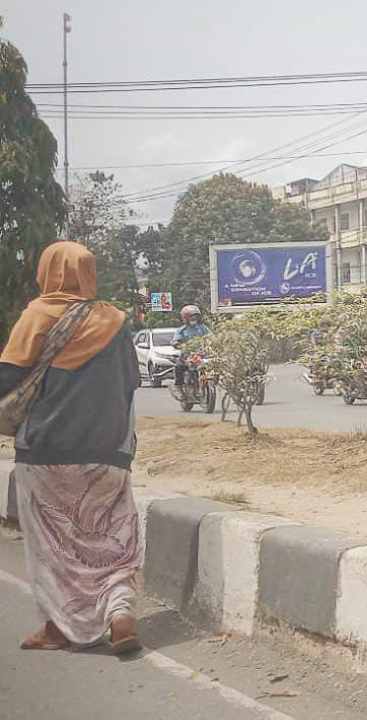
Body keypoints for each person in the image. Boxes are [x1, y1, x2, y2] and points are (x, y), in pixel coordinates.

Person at [0, 242, 143, 654]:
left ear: (48, 272)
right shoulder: (116, 321)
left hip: (47, 450)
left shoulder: (38, 314)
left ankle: (59, 627)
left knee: (52, 545)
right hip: (108, 451)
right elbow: (130, 384)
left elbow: (8, 376)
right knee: (114, 534)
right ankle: (120, 613)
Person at [173, 304, 210, 387]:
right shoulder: (181, 330)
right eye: (191, 317)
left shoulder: (203, 328)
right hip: (187, 356)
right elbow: (175, 341)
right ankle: (179, 387)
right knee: (178, 367)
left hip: (202, 354)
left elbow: (211, 336)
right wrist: (177, 344)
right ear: (185, 318)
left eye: (195, 317)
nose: (194, 319)